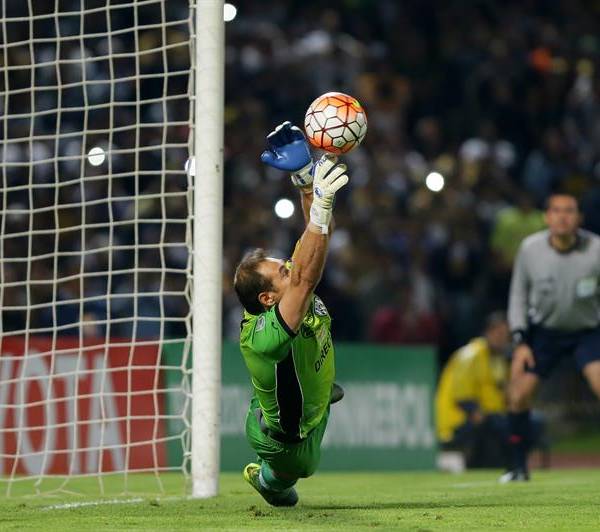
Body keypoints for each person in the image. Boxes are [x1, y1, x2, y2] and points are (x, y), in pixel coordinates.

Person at [233, 122, 348, 506]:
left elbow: (318, 239)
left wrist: (305, 182)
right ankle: (267, 479)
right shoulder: (263, 339)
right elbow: (305, 277)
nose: (290, 267)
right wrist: (321, 205)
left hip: (308, 403)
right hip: (285, 440)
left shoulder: (288, 289)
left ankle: (312, 392)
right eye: (282, 271)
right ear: (267, 299)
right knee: (289, 485)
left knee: (313, 246)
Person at [502, 193, 600, 482]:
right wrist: (520, 341)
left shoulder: (596, 249)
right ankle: (518, 467)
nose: (562, 217)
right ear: (547, 217)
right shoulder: (530, 249)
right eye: (556, 211)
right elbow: (518, 295)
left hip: (587, 331)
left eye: (569, 211)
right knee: (518, 393)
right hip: (543, 332)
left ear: (579, 218)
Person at [435, 312, 512, 468]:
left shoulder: (498, 359)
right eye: (499, 334)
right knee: (499, 425)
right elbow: (461, 395)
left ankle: (509, 465)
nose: (503, 339)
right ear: (488, 332)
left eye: (506, 335)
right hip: (458, 419)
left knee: (522, 423)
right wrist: (476, 412)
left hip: (489, 415)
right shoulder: (471, 355)